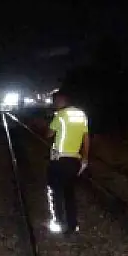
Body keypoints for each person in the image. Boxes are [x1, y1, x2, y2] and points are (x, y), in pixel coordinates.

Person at [45, 89, 90, 235]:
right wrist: (85, 157)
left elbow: (49, 134)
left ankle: (58, 222)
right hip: (74, 160)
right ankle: (72, 225)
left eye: (56, 101)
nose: (55, 104)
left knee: (55, 191)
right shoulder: (81, 114)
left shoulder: (61, 115)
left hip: (59, 160)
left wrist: (52, 120)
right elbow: (86, 138)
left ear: (61, 101)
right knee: (69, 193)